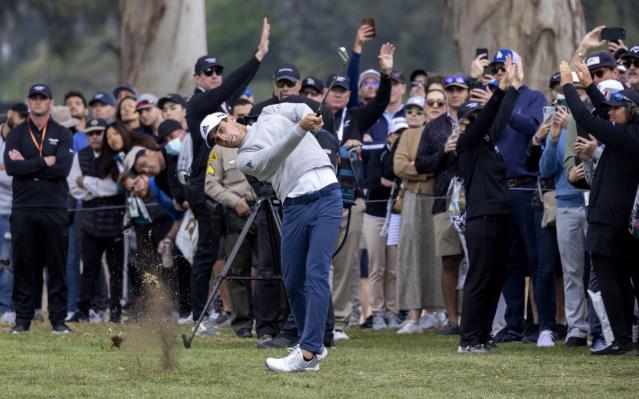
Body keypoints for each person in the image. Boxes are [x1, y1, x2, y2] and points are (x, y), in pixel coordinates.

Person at [200, 101, 342, 372]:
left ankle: (309, 351)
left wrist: (310, 118)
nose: (223, 137)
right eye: (216, 139)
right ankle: (310, 346)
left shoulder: (270, 113)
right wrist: (301, 129)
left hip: (327, 196)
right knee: (292, 278)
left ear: (231, 118)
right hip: (294, 205)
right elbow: (273, 157)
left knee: (316, 272)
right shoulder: (244, 159)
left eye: (220, 129)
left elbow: (300, 107)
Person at [186, 17, 269, 335]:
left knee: (234, 253)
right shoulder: (196, 105)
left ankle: (247, 314)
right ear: (198, 78)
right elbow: (234, 85)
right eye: (209, 72)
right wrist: (257, 57)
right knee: (208, 249)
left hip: (229, 181)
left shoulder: (221, 105)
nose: (215, 76)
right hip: (203, 184)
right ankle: (197, 315)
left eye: (218, 71)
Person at [560, 59, 639, 355]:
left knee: (610, 279)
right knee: (618, 278)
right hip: (618, 218)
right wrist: (590, 85)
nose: (611, 111)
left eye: (618, 108)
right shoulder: (629, 131)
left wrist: (569, 85)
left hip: (609, 218)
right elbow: (605, 111)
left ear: (629, 113)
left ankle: (622, 339)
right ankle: (624, 339)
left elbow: (587, 118)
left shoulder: (625, 136)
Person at [324, 42, 393, 341]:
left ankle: (339, 322)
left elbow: (379, 104)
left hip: (352, 200)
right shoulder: (316, 118)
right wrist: (342, 148)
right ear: (326, 93)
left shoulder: (356, 116)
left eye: (343, 90)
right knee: (317, 261)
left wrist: (386, 74)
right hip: (321, 197)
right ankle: (316, 318)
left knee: (345, 263)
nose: (338, 94)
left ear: (350, 95)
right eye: (334, 90)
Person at [455, 55, 519, 352]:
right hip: (481, 220)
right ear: (464, 123)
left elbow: (500, 116)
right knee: (479, 279)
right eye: (469, 118)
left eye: (475, 117)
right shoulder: (467, 143)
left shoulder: (489, 145)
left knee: (495, 279)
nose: (474, 121)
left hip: (502, 217)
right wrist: (501, 90)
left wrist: (514, 87)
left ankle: (482, 335)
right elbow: (488, 118)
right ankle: (468, 339)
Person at [4, 84, 74, 334]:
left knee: (56, 265)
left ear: (50, 103)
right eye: (34, 98)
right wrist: (45, 161)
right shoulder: (16, 133)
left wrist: (29, 165)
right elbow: (12, 168)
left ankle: (58, 321)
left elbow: (62, 169)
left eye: (42, 98)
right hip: (24, 208)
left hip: (54, 207)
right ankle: (22, 320)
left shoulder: (63, 134)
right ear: (28, 102)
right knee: (23, 265)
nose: (38, 102)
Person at [488, 49, 547, 344]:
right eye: (497, 67)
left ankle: (539, 322)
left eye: (506, 66)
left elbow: (537, 128)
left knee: (534, 256)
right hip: (501, 187)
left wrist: (507, 99)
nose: (501, 71)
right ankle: (513, 323)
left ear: (519, 68)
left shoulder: (534, 97)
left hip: (526, 186)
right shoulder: (494, 97)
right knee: (508, 258)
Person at [414, 74, 471, 335]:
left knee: (476, 260)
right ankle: (453, 318)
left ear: (468, 92)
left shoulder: (477, 120)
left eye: (460, 89)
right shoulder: (434, 127)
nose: (455, 94)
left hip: (475, 197)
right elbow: (420, 164)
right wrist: (443, 152)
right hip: (444, 199)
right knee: (449, 260)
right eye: (451, 90)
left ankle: (474, 315)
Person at [67, 119, 125, 323]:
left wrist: (88, 183)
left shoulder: (116, 156)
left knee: (116, 271)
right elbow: (74, 188)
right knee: (89, 269)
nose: (94, 137)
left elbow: (117, 188)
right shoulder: (81, 156)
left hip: (116, 221)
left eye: (99, 133)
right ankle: (83, 310)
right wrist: (100, 188)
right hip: (90, 220)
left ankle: (116, 312)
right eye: (90, 133)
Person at [204, 143, 257, 338]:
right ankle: (242, 323)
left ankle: (272, 321)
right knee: (236, 269)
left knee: (273, 266)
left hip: (267, 206)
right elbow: (210, 183)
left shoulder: (265, 136)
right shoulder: (220, 149)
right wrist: (234, 202)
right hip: (237, 211)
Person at [0, 103, 28, 325]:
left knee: (10, 263)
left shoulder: (24, 142)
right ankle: (5, 307)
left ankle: (10, 307)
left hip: (14, 211)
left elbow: (20, 175)